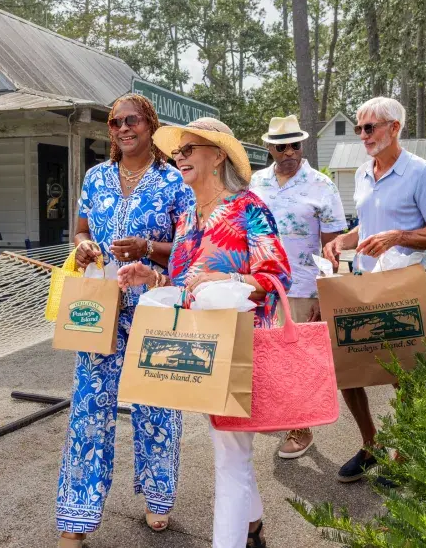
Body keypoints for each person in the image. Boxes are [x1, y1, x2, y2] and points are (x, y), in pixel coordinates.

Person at [119, 117, 291, 548]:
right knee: (230, 447)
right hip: (200, 351)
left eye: (189, 149)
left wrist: (228, 282)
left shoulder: (247, 208)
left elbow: (277, 275)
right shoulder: (187, 219)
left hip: (240, 348)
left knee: (230, 456)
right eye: (177, 152)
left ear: (217, 156)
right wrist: (151, 278)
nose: (180, 157)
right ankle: (253, 528)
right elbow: (182, 286)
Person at [56, 94, 194, 548]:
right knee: (90, 409)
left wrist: (148, 249)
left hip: (155, 308)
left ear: (150, 124)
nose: (122, 128)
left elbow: (190, 253)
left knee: (156, 406)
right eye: (115, 122)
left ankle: (158, 498)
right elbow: (79, 229)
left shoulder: (175, 183)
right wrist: (83, 246)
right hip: (100, 311)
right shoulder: (95, 177)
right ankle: (77, 514)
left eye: (131, 120)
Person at [322, 97, 426, 483]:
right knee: (349, 370)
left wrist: (399, 237)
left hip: (401, 288)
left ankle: (406, 450)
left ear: (394, 128)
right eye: (360, 128)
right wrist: (341, 242)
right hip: (363, 284)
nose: (362, 135)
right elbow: (368, 224)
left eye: (369, 127)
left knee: (404, 375)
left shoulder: (420, 172)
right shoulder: (364, 172)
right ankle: (372, 444)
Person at [250, 114, 346, 460]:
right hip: (260, 284)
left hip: (302, 284)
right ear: (270, 148)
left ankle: (301, 427)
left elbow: (331, 246)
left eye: (295, 144)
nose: (289, 151)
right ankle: (282, 414)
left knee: (297, 358)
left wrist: (324, 290)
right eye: (281, 145)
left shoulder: (322, 185)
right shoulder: (254, 182)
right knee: (267, 355)